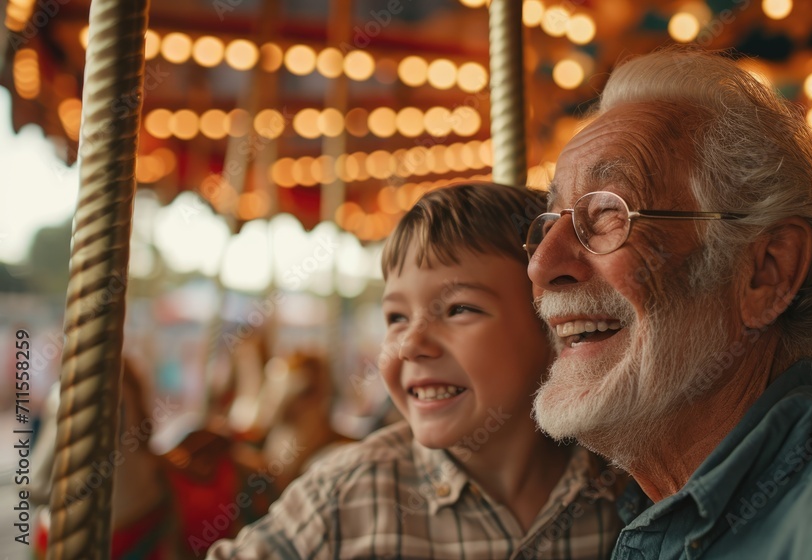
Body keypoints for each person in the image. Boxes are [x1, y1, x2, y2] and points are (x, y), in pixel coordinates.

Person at [523, 47, 812, 559]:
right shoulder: (661, 516)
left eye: (606, 213)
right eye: (551, 221)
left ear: (766, 272)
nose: (541, 265)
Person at [208, 182, 623, 559]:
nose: (410, 345)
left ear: (552, 325)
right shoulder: (343, 495)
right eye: (395, 318)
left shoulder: (622, 488)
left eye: (460, 309)